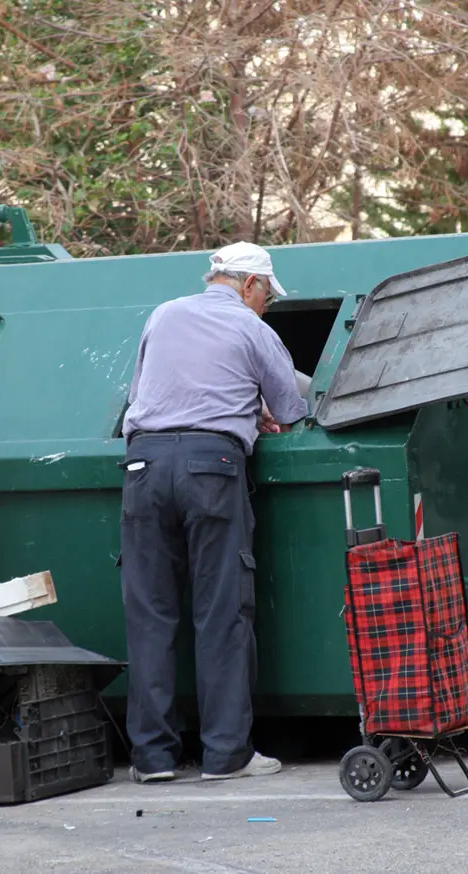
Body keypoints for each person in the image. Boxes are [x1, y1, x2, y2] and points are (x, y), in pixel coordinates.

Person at [120, 241, 308, 783]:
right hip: (211, 466)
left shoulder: (163, 314)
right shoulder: (253, 329)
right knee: (221, 613)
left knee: (149, 615)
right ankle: (226, 755)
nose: (266, 305)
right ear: (249, 284)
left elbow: (143, 397)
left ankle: (152, 759)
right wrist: (256, 412)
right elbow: (292, 410)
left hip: (144, 466)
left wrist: (240, 406)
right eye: (267, 296)